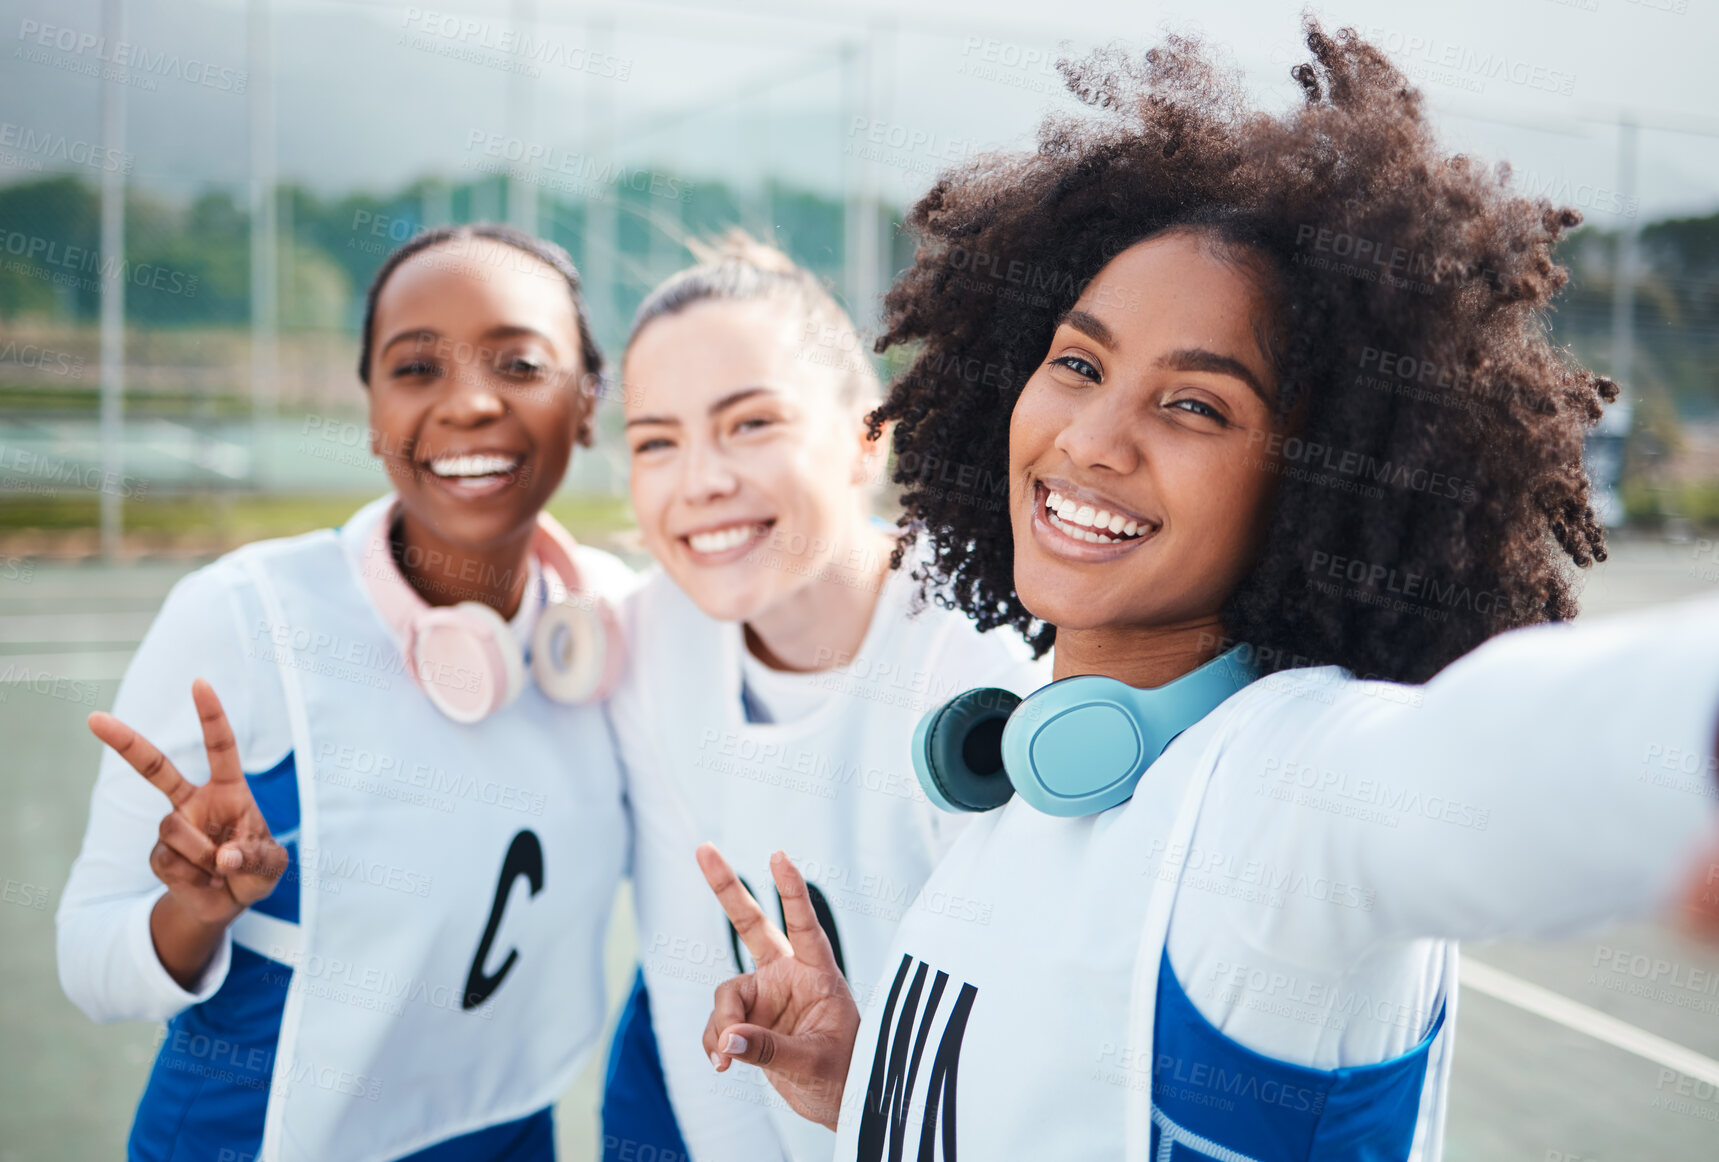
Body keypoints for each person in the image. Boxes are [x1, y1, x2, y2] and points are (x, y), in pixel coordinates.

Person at [688, 26, 1719, 1161]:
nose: (1092, 438)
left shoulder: (1283, 787)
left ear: (1315, 483)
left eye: (1195, 406)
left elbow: (1512, 746)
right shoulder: (1046, 781)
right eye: (1078, 364)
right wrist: (870, 1083)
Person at [57, 224, 637, 1162]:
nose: (470, 403)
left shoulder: (615, 626)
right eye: (416, 369)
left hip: (508, 1131)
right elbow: (89, 965)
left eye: (520, 363)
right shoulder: (244, 617)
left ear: (585, 405)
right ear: (371, 411)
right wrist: (195, 914)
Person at [600, 234, 1047, 1162]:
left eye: (751, 424)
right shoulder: (653, 640)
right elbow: (695, 997)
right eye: (656, 442)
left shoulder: (984, 662)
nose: (702, 480)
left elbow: (1024, 1071)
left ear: (863, 440)